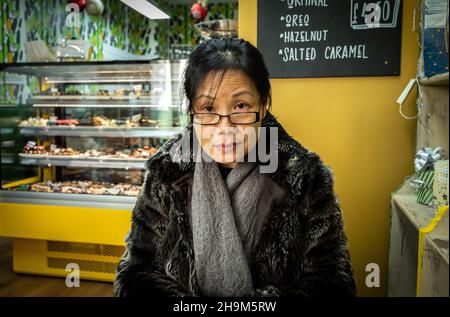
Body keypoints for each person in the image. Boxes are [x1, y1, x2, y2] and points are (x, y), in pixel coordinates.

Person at [114, 37, 356, 297]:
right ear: (192, 111)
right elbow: (136, 274)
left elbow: (333, 284)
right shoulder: (167, 173)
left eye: (241, 106)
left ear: (263, 106)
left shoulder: (305, 178)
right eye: (208, 108)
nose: (224, 129)